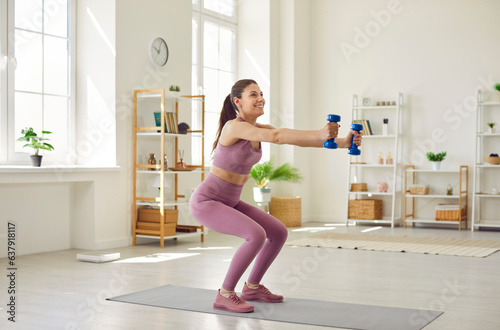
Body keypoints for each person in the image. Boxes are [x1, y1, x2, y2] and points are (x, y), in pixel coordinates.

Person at [189, 79, 362, 313]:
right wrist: (321, 132)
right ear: (237, 101)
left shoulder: (261, 130)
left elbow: (297, 139)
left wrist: (342, 142)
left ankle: (252, 287)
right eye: (253, 94)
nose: (260, 98)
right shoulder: (234, 127)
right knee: (255, 234)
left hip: (230, 201)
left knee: (278, 232)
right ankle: (225, 294)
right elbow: (279, 137)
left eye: (261, 94)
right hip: (207, 202)